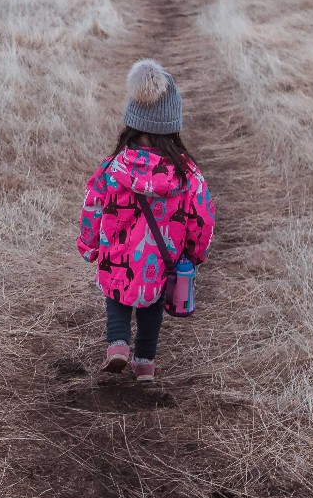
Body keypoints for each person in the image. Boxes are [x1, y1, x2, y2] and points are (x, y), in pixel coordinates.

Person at [77, 59, 216, 382]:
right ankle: (145, 366)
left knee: (116, 296)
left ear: (132, 123)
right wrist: (194, 254)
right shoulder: (187, 174)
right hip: (160, 260)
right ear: (173, 126)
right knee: (152, 308)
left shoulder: (114, 166)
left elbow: (92, 205)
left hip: (116, 255)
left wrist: (89, 243)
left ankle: (117, 346)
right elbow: (203, 216)